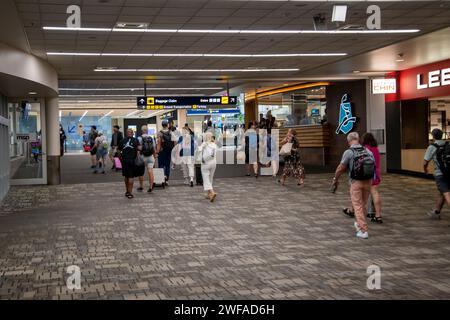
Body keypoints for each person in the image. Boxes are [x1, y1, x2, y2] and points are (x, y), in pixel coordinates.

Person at [332, 132, 375, 239]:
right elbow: (373, 165)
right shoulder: (368, 151)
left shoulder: (349, 152)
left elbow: (340, 168)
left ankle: (363, 230)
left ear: (348, 141)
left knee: (357, 205)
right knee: (363, 204)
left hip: (356, 182)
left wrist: (335, 179)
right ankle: (359, 223)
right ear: (358, 139)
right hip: (368, 181)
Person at [424, 128, 450, 220]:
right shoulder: (448, 144)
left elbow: (425, 161)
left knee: (446, 193)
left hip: (440, 174)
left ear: (433, 136)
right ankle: (436, 212)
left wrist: (425, 169)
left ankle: (436, 212)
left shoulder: (432, 147)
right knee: (442, 192)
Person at [362, 132, 383, 223]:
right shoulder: (376, 149)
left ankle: (358, 211)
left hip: (368, 173)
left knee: (362, 193)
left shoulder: (365, 149)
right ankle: (377, 214)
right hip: (376, 173)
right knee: (374, 192)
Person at [118, 128, 140, 199]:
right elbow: (139, 149)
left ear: (127, 133)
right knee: (131, 177)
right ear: (133, 133)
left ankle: (127, 191)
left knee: (126, 176)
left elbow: (118, 151)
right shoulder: (136, 140)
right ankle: (130, 193)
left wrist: (120, 158)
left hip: (124, 160)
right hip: (132, 161)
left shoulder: (122, 141)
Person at [200, 132, 218, 202]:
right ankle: (208, 195)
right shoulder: (214, 144)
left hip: (205, 163)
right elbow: (213, 154)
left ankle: (212, 192)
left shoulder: (204, 143)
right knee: (210, 178)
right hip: (213, 163)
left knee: (206, 178)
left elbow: (199, 150)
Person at [137, 125, 155, 193]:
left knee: (141, 173)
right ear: (147, 130)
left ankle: (141, 186)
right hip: (150, 157)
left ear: (142, 130)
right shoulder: (151, 138)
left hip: (142, 157)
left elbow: (138, 148)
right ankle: (151, 187)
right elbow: (153, 148)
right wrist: (154, 155)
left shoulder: (139, 138)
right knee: (150, 172)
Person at [156, 121, 174, 185]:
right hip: (169, 151)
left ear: (162, 125)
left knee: (161, 165)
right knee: (167, 165)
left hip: (162, 151)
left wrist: (157, 151)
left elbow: (159, 143)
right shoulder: (171, 132)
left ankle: (162, 178)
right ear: (167, 125)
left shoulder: (159, 133)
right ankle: (167, 180)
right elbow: (174, 143)